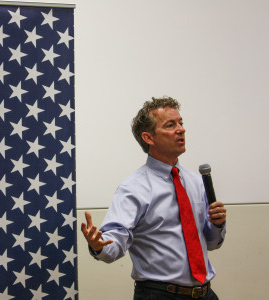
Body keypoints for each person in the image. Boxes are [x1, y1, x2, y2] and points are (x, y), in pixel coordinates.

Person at [81, 96, 227, 299]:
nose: (181, 129)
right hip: (159, 294)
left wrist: (218, 225)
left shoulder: (196, 181)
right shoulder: (133, 188)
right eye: (170, 125)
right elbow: (116, 236)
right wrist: (99, 246)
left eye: (181, 123)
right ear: (149, 138)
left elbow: (211, 243)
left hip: (205, 292)